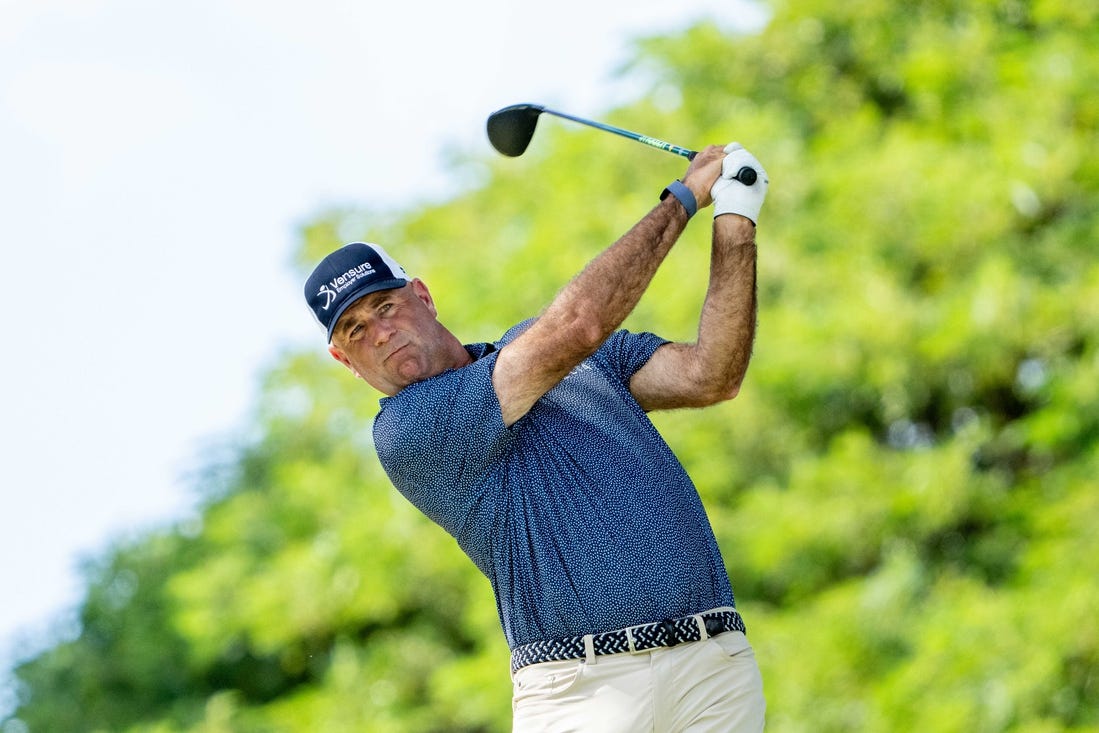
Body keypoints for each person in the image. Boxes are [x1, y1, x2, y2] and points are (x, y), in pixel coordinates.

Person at [304, 142, 769, 732]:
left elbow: (711, 375)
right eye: (355, 329)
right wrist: (684, 197)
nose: (380, 333)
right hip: (583, 690)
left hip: (712, 667)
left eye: (386, 306)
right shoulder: (407, 429)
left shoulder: (549, 351)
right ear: (344, 359)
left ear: (422, 295)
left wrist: (736, 220)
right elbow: (579, 326)